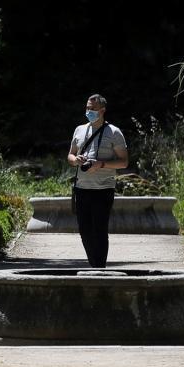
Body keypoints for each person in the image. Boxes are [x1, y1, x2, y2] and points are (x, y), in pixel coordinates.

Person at [66, 94, 128, 268]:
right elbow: (70, 155)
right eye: (87, 108)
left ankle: (99, 268)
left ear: (102, 111)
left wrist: (101, 164)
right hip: (81, 187)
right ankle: (94, 265)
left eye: (92, 109)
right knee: (84, 230)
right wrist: (75, 160)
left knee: (99, 230)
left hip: (103, 189)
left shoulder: (114, 132)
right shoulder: (79, 129)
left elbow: (123, 162)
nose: (89, 111)